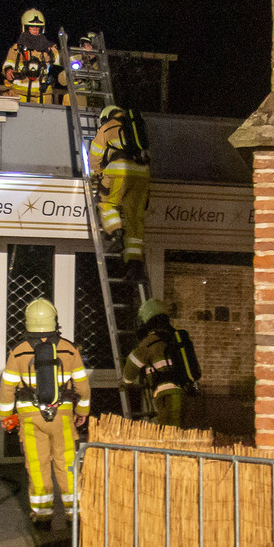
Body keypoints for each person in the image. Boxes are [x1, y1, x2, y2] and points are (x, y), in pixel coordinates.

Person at [0, 298, 90, 529]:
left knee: (37, 466)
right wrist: (82, 410)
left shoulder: (17, 352)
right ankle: (73, 514)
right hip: (63, 418)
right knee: (67, 463)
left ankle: (42, 516)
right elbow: (82, 387)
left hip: (30, 420)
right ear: (54, 321)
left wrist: (5, 417)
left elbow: (7, 389)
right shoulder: (70, 350)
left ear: (27, 323)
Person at [88, 104, 150, 281]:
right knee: (134, 218)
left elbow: (95, 156)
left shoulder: (107, 127)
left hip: (119, 170)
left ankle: (116, 234)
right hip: (142, 172)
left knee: (107, 203)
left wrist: (98, 174)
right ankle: (135, 263)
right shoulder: (136, 127)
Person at [121, 299, 186, 427]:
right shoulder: (174, 338)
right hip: (183, 391)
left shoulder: (149, 342)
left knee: (167, 431)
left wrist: (124, 382)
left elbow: (131, 368)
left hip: (166, 395)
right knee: (177, 431)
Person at [2, 8, 62, 104]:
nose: (35, 29)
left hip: (42, 95)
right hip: (20, 95)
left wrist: (78, 58)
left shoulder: (50, 48)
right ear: (25, 28)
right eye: (32, 27)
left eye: (38, 27)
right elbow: (8, 64)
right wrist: (8, 71)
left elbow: (63, 60)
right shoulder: (17, 48)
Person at [61, 33, 102, 107]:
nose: (85, 48)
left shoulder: (101, 64)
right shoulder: (75, 59)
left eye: (88, 45)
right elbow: (61, 80)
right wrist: (72, 74)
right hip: (77, 101)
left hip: (96, 101)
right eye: (83, 45)